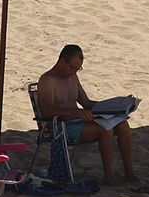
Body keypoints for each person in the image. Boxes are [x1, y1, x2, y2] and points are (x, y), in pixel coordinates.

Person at [37, 44, 136, 184]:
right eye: (72, 68)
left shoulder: (73, 78)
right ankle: (109, 177)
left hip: (76, 121)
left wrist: (116, 106)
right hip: (59, 125)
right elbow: (47, 111)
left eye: (78, 69)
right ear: (61, 61)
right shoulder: (48, 80)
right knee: (105, 130)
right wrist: (76, 112)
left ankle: (129, 173)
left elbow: (87, 103)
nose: (74, 72)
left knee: (122, 124)